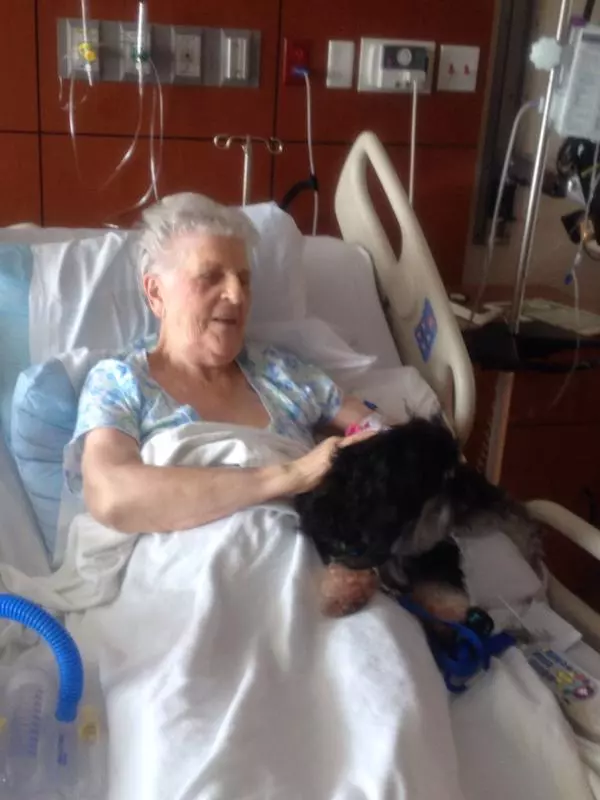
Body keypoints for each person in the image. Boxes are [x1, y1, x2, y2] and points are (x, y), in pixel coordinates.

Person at [64, 193, 377, 534]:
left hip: (302, 563)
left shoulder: (283, 373)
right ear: (155, 293)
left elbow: (380, 436)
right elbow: (111, 494)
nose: (237, 295)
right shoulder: (120, 382)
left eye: (243, 279)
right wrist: (291, 476)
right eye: (211, 276)